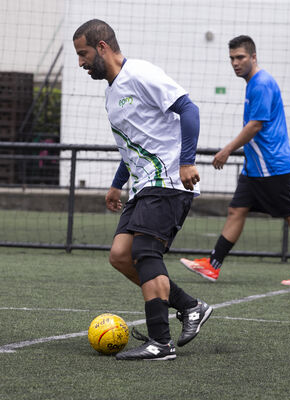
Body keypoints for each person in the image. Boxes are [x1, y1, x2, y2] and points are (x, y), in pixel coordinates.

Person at [73, 19, 212, 361]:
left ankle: (160, 343)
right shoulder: (111, 95)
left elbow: (188, 108)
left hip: (166, 182)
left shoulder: (141, 73)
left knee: (146, 254)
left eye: (84, 54)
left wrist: (188, 160)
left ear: (102, 46)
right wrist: (116, 185)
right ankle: (190, 307)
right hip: (143, 186)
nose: (81, 63)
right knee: (121, 255)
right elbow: (132, 146)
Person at [180, 35, 290, 287]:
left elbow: (256, 125)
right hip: (255, 166)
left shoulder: (261, 83)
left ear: (253, 57)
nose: (235, 63)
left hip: (271, 165)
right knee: (237, 209)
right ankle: (213, 265)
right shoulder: (252, 83)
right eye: (232, 58)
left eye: (240, 57)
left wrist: (227, 150)